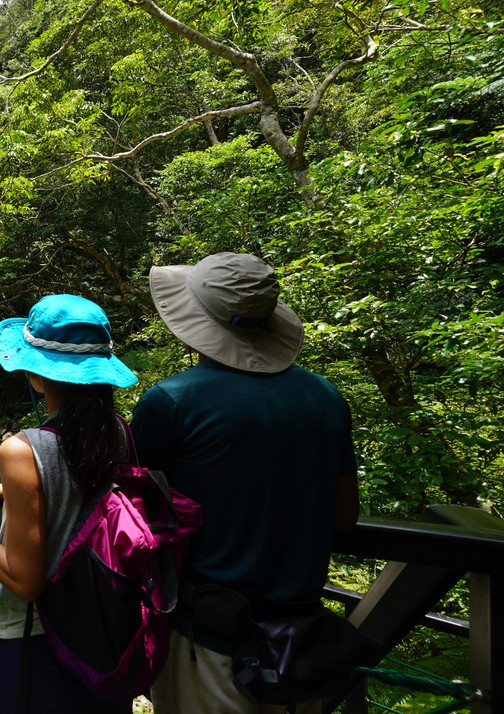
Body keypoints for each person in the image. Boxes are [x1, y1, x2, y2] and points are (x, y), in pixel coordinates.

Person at [131, 252, 360, 714]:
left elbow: (126, 510)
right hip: (301, 643)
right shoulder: (324, 397)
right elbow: (344, 516)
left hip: (209, 637)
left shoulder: (172, 402)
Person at [0, 294, 137, 714]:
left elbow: (24, 581)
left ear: (37, 374)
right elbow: (88, 496)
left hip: (37, 642)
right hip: (105, 631)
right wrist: (13, 492)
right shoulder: (117, 431)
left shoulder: (22, 450)